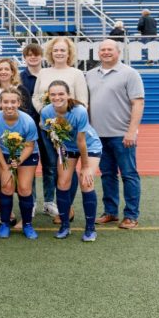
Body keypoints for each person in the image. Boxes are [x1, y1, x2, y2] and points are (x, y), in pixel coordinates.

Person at [87, 40, 145, 229]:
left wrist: (131, 131)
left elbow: (138, 103)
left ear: (118, 52)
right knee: (107, 174)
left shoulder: (130, 74)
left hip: (122, 135)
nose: (105, 52)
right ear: (98, 53)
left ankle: (130, 215)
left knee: (129, 174)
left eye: (109, 49)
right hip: (97, 136)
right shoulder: (89, 75)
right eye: (102, 49)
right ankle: (110, 212)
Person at [32, 37, 88, 223]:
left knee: (67, 168)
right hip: (47, 128)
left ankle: (66, 207)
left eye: (63, 50)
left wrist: (64, 120)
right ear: (50, 52)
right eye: (56, 50)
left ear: (69, 52)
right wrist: (46, 113)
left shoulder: (77, 74)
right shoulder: (44, 72)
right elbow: (36, 97)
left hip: (68, 131)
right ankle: (50, 203)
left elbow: (83, 102)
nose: (59, 53)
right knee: (50, 167)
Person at [41, 80, 101, 241]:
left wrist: (85, 167)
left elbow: (81, 141)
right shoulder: (46, 112)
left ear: (68, 95)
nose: (57, 97)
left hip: (89, 146)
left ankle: (90, 229)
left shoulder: (79, 111)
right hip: (67, 148)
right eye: (53, 94)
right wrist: (62, 154)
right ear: (48, 96)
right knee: (62, 183)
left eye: (61, 94)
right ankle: (65, 226)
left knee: (85, 181)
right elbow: (53, 137)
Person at [0, 89, 40, 239]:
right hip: (4, 155)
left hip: (26, 155)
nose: (9, 105)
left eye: (13, 102)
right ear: (0, 103)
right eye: (5, 102)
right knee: (7, 187)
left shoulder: (28, 121)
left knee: (23, 188)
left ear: (19, 103)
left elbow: (29, 146)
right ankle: (5, 223)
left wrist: (19, 161)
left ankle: (27, 224)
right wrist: (4, 166)